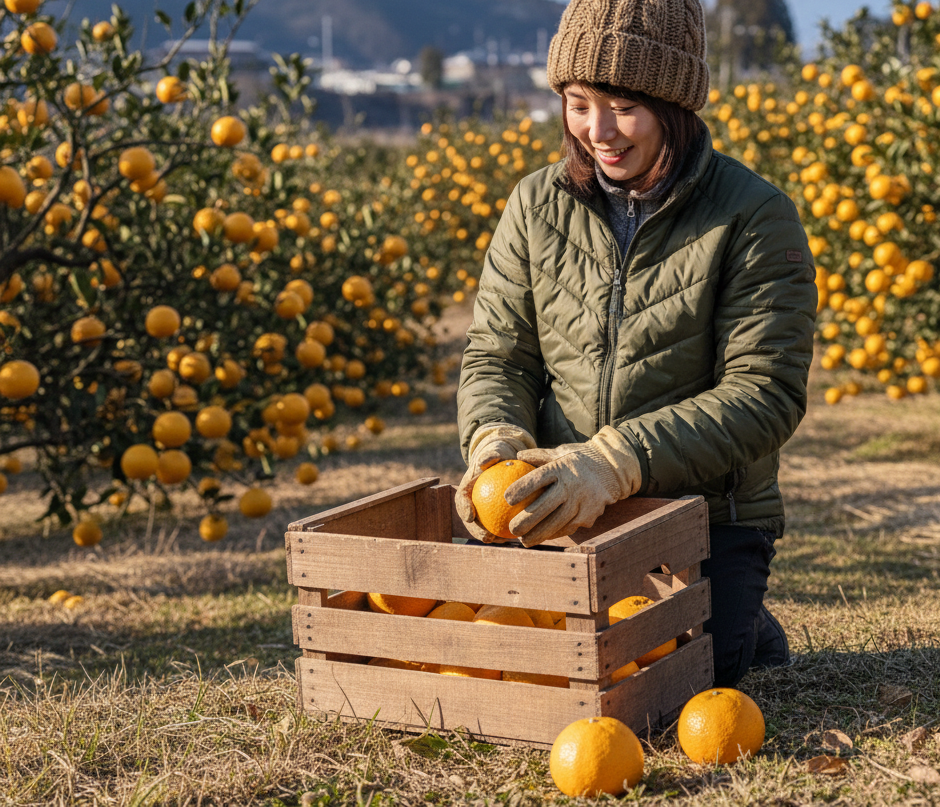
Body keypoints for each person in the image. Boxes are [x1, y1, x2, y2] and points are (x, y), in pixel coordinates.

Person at [454, 0, 817, 687]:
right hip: (560, 500)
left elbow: (764, 394)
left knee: (674, 673)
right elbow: (498, 354)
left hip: (703, 511)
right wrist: (493, 438)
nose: (598, 131)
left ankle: (742, 617)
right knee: (540, 665)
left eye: (623, 106)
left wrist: (616, 462)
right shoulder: (536, 205)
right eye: (579, 102)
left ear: (674, 104)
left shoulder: (753, 216)